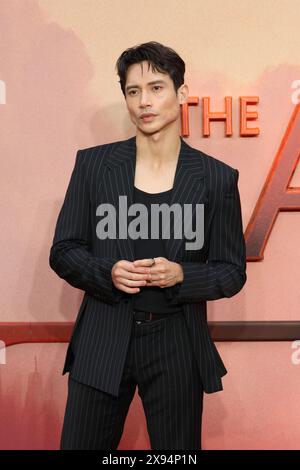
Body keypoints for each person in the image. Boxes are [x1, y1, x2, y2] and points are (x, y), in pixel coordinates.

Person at [49, 41, 247, 450]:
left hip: (176, 341)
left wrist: (182, 275)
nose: (144, 101)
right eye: (133, 91)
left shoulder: (216, 178)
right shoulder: (93, 166)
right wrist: (107, 272)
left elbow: (231, 270)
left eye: (156, 88)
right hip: (103, 335)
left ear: (182, 94)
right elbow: (64, 249)